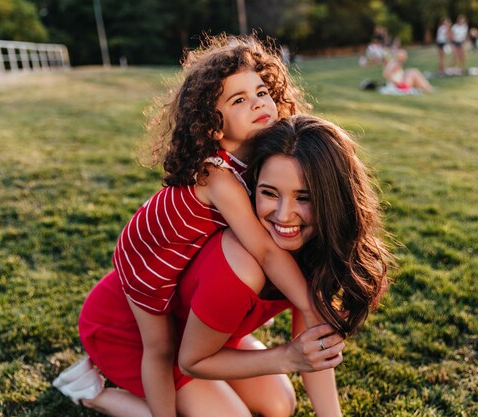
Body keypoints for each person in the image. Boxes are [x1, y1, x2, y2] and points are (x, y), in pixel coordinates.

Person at [52, 34, 320, 417]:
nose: (259, 102)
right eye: (239, 100)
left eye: (262, 91)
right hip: (146, 263)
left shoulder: (264, 157)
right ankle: (96, 391)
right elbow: (263, 248)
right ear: (213, 125)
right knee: (159, 351)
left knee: (279, 405)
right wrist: (307, 301)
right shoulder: (217, 174)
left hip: (179, 267)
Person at [68, 114, 393, 416]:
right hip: (132, 334)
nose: (283, 216)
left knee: (280, 404)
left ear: (332, 199)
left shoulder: (312, 248)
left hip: (206, 336)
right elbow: (192, 362)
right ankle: (92, 390)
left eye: (303, 197)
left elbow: (314, 348)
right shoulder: (242, 264)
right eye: (269, 193)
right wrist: (285, 357)